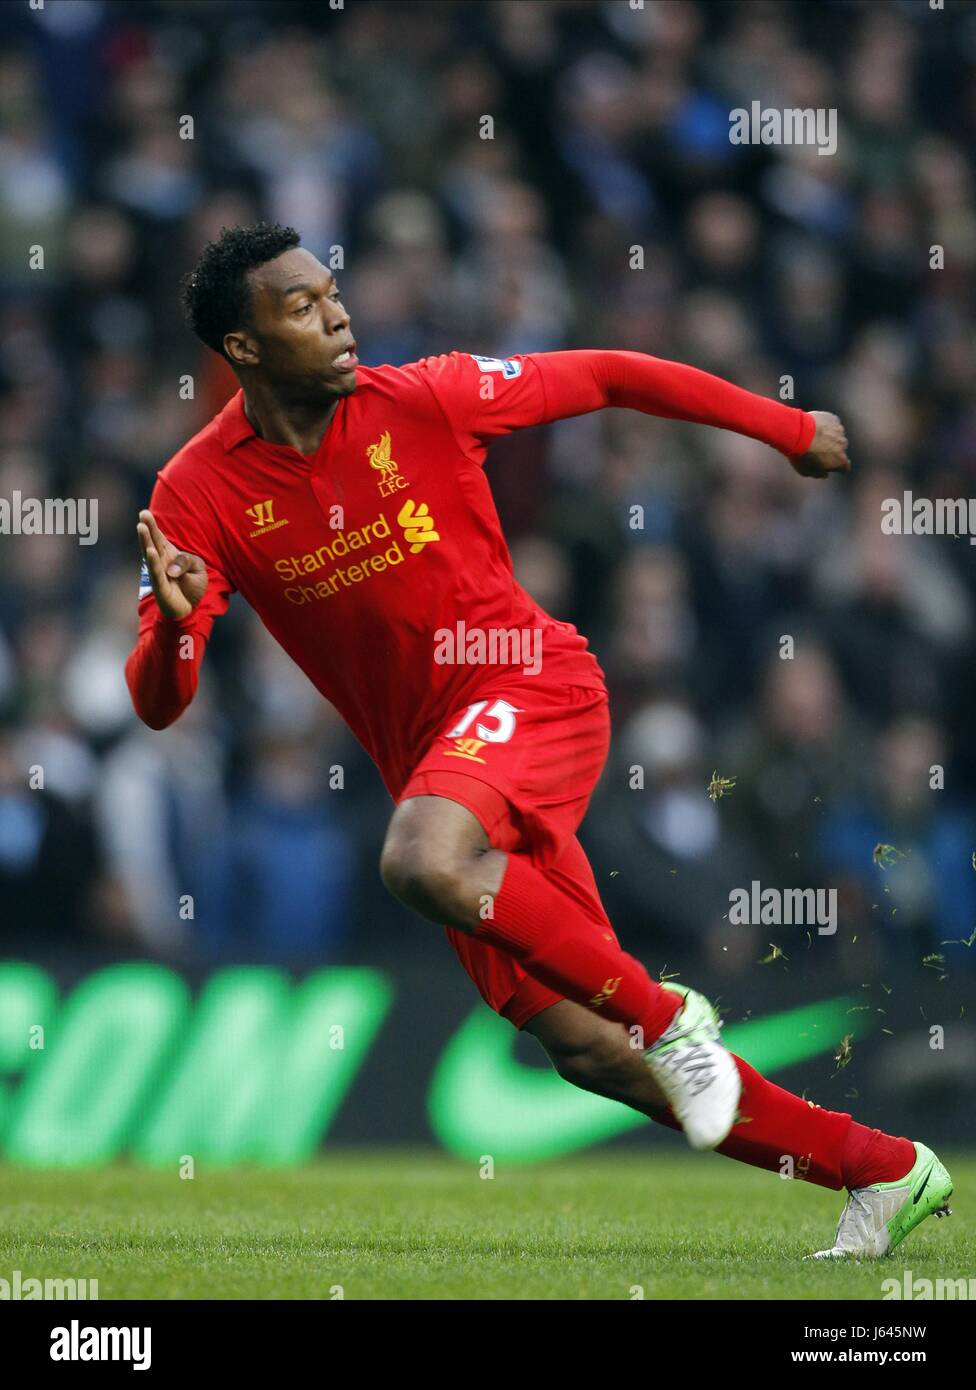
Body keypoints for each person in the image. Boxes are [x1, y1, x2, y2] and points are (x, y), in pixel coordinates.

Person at [125, 222, 951, 1258]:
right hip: (441, 766)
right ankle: (880, 1168)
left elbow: (606, 373)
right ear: (240, 348)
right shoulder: (195, 495)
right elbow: (162, 701)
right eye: (300, 306)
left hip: (532, 686)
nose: (336, 314)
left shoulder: (423, 396)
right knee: (588, 1052)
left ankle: (669, 1014)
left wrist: (785, 429)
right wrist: (170, 628)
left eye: (332, 292)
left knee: (421, 861)